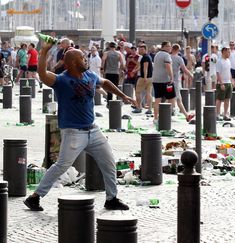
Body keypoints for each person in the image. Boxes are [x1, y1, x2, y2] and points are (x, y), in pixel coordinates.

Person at [23, 39, 136, 211]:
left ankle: (112, 198)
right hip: (73, 132)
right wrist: (45, 51)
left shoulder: (89, 75)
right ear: (73, 63)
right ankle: (35, 197)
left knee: (109, 162)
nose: (86, 60)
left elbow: (104, 82)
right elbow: (43, 73)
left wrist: (123, 96)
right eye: (83, 58)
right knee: (62, 165)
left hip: (93, 129)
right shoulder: (61, 80)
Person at [152, 41, 176, 125]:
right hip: (166, 80)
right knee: (172, 98)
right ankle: (167, 116)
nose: (170, 48)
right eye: (169, 46)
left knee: (157, 99)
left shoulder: (157, 54)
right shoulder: (166, 55)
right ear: (164, 47)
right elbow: (168, 66)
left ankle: (155, 118)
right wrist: (172, 77)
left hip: (156, 80)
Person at [170, 44, 195, 122]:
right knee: (177, 99)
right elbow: (184, 69)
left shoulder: (168, 57)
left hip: (167, 80)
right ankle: (186, 115)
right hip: (175, 81)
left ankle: (169, 114)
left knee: (171, 98)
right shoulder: (179, 58)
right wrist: (191, 75)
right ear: (177, 50)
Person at [132, 44, 153, 114]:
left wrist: (145, 77)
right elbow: (141, 67)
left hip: (144, 78)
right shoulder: (148, 57)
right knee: (148, 93)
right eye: (140, 49)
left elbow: (145, 68)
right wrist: (135, 71)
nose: (140, 51)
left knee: (137, 92)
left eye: (142, 49)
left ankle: (139, 107)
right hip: (150, 78)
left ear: (145, 50)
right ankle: (149, 109)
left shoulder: (145, 57)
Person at [216, 47, 232, 121]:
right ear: (224, 52)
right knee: (219, 99)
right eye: (228, 52)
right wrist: (221, 83)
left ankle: (225, 114)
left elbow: (229, 71)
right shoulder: (219, 61)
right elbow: (218, 73)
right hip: (222, 83)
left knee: (227, 99)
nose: (229, 53)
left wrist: (231, 81)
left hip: (228, 82)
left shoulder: (228, 60)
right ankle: (217, 114)